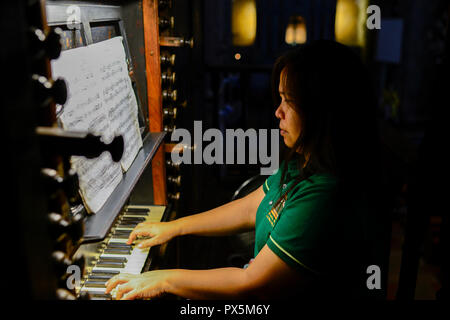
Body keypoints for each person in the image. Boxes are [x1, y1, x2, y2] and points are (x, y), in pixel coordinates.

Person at [105, 40, 383, 300]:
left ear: (322, 112)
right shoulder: (304, 162)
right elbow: (252, 208)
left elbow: (250, 282)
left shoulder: (326, 196)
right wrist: (175, 227)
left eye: (289, 101)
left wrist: (163, 280)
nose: (278, 111)